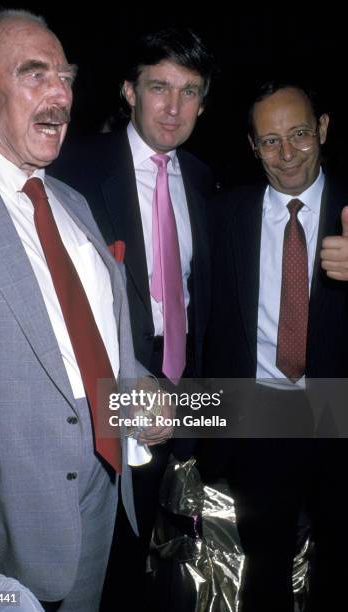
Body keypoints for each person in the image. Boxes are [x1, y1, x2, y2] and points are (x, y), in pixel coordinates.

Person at [0, 7, 168, 612]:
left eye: (66, 76)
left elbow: (94, 339)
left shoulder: (72, 201)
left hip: (103, 495)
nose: (61, 93)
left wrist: (140, 391)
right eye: (33, 73)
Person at [50, 26, 217, 610]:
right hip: (108, 386)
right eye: (159, 87)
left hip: (180, 394)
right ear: (129, 91)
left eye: (189, 91)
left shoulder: (202, 178)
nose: (174, 108)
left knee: (153, 542)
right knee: (97, 560)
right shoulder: (72, 166)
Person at [202, 81, 348, 612]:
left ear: (324, 129)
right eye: (270, 141)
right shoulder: (223, 216)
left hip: (339, 410)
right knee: (263, 566)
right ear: (252, 145)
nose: (286, 155)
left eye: (300, 134)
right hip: (260, 411)